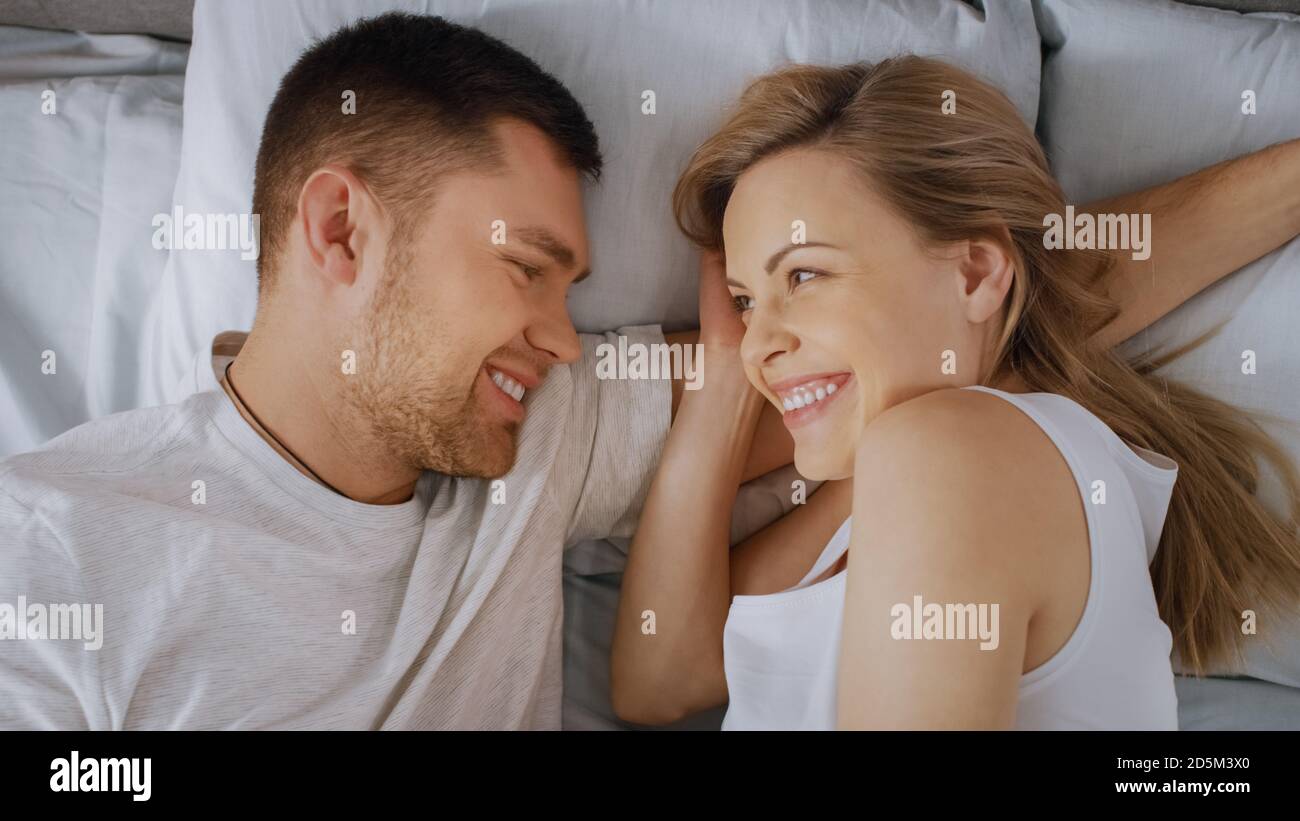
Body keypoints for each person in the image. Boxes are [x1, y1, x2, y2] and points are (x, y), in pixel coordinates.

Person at [0, 12, 790, 730]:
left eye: (567, 292)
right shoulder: (46, 552)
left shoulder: (533, 440)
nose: (566, 343)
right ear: (340, 230)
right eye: (523, 268)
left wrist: (732, 362)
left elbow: (820, 372)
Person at [610, 56, 1300, 729]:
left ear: (974, 274)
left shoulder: (944, 450)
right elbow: (662, 681)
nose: (759, 342)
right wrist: (722, 387)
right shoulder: (908, 470)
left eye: (803, 275)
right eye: (743, 300)